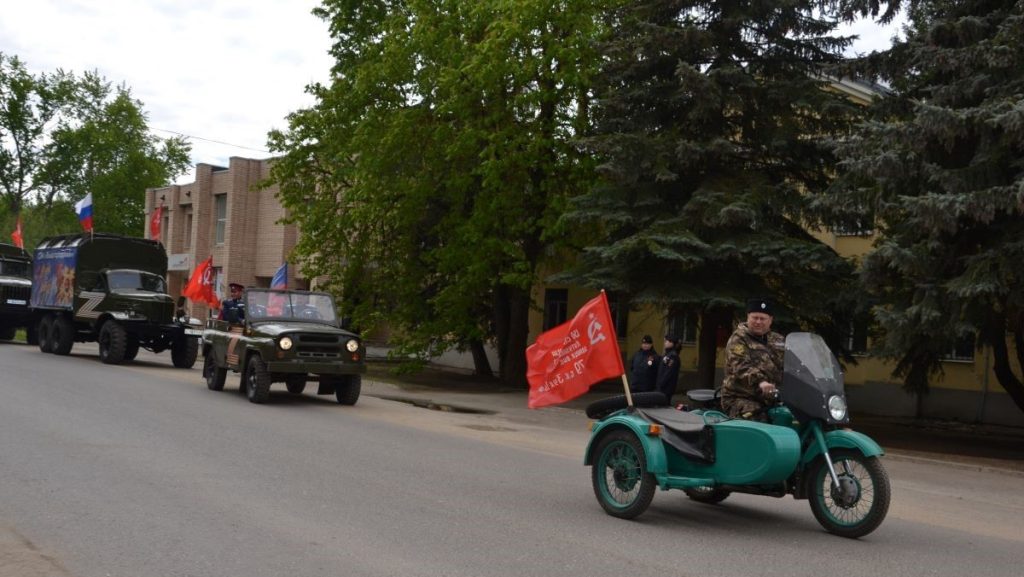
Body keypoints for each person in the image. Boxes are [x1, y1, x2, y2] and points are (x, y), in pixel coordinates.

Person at [721, 298, 785, 421]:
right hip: (741, 397)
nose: (758, 322)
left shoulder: (778, 340)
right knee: (759, 419)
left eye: (762, 319)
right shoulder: (739, 338)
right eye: (755, 318)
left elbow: (792, 364)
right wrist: (761, 381)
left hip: (772, 397)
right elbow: (740, 366)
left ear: (770, 320)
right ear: (748, 317)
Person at [655, 334, 681, 403]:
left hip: (666, 388)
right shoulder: (667, 354)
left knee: (664, 405)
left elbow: (669, 372)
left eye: (666, 341)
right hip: (662, 387)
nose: (665, 343)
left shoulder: (673, 356)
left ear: (672, 343)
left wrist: (661, 384)